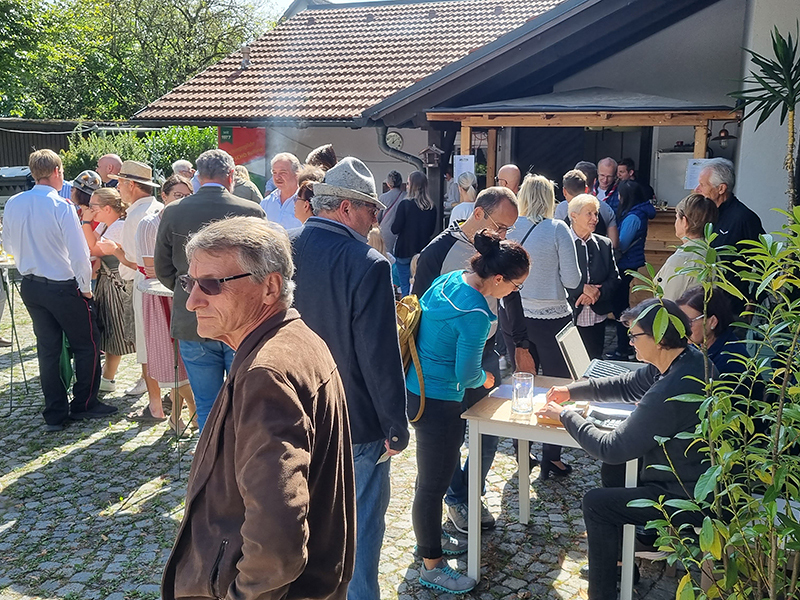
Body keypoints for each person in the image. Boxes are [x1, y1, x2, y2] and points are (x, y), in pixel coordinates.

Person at [161, 216, 355, 600]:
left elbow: (277, 542)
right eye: (189, 282)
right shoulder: (294, 337)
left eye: (211, 284)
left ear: (270, 287)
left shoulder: (266, 373)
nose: (192, 300)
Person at [290, 157, 408, 600]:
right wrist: (394, 424)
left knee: (301, 522)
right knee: (359, 527)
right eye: (372, 210)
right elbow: (379, 355)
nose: (376, 220)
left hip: (291, 411)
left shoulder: (284, 247)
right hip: (352, 418)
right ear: (345, 208)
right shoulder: (368, 262)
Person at [537, 298, 709, 600]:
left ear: (659, 338)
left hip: (688, 497)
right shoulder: (685, 358)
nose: (630, 342)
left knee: (596, 504)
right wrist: (571, 391)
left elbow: (611, 447)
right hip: (686, 476)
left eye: (635, 335)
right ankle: (619, 566)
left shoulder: (672, 388)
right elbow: (626, 385)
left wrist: (566, 416)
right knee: (614, 471)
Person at [409, 231, 529, 594]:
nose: (514, 292)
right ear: (498, 278)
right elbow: (466, 374)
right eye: (516, 286)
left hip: (416, 386)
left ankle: (429, 541)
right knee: (432, 485)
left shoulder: (450, 280)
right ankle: (432, 566)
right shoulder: (476, 313)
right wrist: (486, 378)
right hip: (440, 399)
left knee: (431, 477)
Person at [412, 186, 519, 533]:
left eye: (509, 230)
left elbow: (511, 297)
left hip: (486, 351)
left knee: (489, 432)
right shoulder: (438, 251)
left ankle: (470, 493)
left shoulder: (499, 252)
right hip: (445, 366)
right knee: (450, 438)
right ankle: (456, 496)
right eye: (500, 227)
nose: (504, 235)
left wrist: (520, 343)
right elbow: (417, 309)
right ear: (478, 214)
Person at [4, 149, 116, 431]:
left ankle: (55, 411)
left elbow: (8, 244)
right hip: (62, 285)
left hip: (31, 284)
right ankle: (84, 403)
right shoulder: (61, 206)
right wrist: (85, 288)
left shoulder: (14, 202)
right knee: (88, 344)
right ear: (57, 172)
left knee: (48, 349)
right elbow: (79, 254)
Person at [155, 149, 266, 430]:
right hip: (241, 318)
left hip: (194, 317)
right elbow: (265, 268)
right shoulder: (251, 210)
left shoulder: (174, 211)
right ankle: (243, 453)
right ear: (231, 175)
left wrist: (191, 290)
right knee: (246, 401)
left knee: (207, 404)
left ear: (197, 176)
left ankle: (210, 456)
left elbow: (163, 268)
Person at [503, 174, 581, 479]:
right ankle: (552, 456)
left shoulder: (510, 228)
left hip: (515, 317)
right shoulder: (558, 228)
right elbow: (572, 280)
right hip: (553, 318)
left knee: (521, 382)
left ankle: (522, 451)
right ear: (550, 199)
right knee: (555, 387)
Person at [136, 175, 197, 432]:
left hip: (182, 294)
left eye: (187, 196)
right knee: (169, 360)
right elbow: (152, 270)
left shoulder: (188, 220)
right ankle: (195, 411)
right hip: (159, 296)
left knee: (185, 361)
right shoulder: (150, 223)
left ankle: (178, 417)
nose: (182, 200)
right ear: (164, 196)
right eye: (177, 195)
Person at [109, 161, 165, 408]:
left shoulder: (135, 215)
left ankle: (155, 404)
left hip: (144, 282)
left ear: (132, 185)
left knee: (145, 343)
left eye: (120, 183)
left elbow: (133, 260)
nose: (117, 188)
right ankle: (171, 396)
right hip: (164, 281)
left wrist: (115, 251)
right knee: (164, 340)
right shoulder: (159, 207)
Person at [79, 188, 137, 397]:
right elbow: (88, 244)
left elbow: (93, 249)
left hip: (118, 284)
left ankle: (141, 377)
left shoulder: (119, 226)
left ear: (107, 208)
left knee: (122, 331)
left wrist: (86, 221)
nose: (90, 209)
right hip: (108, 282)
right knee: (112, 331)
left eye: (93, 205)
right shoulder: (107, 225)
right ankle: (108, 378)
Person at [565, 194, 620, 359]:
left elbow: (614, 279)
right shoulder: (562, 243)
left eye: (596, 214)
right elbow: (556, 279)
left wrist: (596, 294)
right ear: (574, 216)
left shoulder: (604, 244)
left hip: (597, 316)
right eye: (589, 213)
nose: (595, 218)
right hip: (569, 315)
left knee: (594, 358)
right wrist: (581, 291)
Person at [606, 180, 656, 360]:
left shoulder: (633, 217)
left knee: (620, 308)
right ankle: (625, 346)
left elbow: (621, 244)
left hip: (625, 264)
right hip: (629, 263)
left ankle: (624, 348)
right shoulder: (638, 212)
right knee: (621, 306)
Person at [656, 193, 718, 301]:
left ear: (684, 222)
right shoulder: (712, 254)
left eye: (676, 218)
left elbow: (667, 302)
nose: (675, 223)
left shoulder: (680, 260)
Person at [694, 157, 764, 250]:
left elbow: (764, 255)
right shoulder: (704, 213)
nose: (697, 189)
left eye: (702, 185)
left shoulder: (744, 218)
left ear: (721, 189)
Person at [677, 285, 748, 375]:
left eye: (689, 322)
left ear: (713, 321)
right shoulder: (697, 346)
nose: (682, 328)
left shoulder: (730, 360)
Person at [391, 171, 437, 296]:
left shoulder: (405, 204)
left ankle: (407, 307)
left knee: (405, 286)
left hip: (404, 250)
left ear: (411, 186)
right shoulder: (431, 207)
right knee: (421, 286)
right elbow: (431, 231)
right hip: (422, 250)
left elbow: (395, 229)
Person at [554, 169, 619, 246]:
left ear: (564, 191)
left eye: (595, 214)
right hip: (598, 252)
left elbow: (556, 239)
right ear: (586, 189)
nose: (594, 218)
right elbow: (614, 244)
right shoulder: (605, 208)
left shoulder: (561, 209)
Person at [261, 152, 302, 229]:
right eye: (274, 173)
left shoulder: (306, 202)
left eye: (283, 173)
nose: (277, 177)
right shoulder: (266, 202)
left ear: (297, 174)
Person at [377, 170, 406, 254]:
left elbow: (378, 217)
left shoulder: (383, 197)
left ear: (388, 184)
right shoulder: (406, 196)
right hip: (402, 233)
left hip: (385, 231)